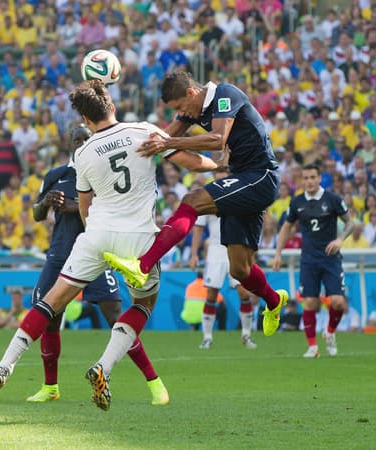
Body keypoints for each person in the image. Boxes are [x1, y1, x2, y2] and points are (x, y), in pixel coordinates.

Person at [0, 80, 222, 410]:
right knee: (142, 305)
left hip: (96, 235)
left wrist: (94, 236)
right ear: (112, 107)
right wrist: (220, 165)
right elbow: (193, 163)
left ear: (85, 119)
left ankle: (4, 366)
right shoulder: (143, 131)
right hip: (138, 237)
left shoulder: (84, 152)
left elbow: (84, 206)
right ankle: (103, 367)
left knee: (50, 302)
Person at [104, 70, 289, 337]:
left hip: (261, 177)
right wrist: (130, 153)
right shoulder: (192, 109)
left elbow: (217, 140)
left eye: (180, 107)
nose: (181, 113)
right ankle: (274, 300)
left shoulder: (226, 94)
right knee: (240, 269)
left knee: (192, 200)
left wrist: (170, 143)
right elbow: (162, 138)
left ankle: (143, 265)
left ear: (191, 93)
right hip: (242, 179)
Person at [23, 125, 169, 405]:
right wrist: (47, 203)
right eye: (76, 139)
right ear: (69, 143)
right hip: (60, 254)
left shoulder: (104, 169)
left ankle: (154, 382)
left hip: (98, 254)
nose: (81, 143)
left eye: (86, 138)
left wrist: (74, 205)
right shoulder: (56, 175)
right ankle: (50, 387)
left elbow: (108, 206)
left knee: (115, 315)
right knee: (50, 318)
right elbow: (37, 214)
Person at [272, 164, 353, 358]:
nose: (309, 181)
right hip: (308, 259)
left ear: (319, 178)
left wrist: (340, 240)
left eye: (312, 177)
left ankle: (330, 332)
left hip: (330, 259)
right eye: (306, 178)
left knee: (338, 302)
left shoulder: (332, 199)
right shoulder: (297, 202)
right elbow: (286, 227)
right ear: (302, 180)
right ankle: (312, 347)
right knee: (309, 302)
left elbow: (350, 222)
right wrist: (278, 253)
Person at [189, 182, 258, 350]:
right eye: (219, 172)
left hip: (236, 246)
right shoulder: (208, 195)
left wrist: (251, 251)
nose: (221, 175)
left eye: (223, 172)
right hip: (215, 251)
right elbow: (198, 228)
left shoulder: (238, 193)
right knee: (211, 295)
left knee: (244, 293)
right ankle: (207, 337)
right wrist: (194, 253)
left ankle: (246, 334)